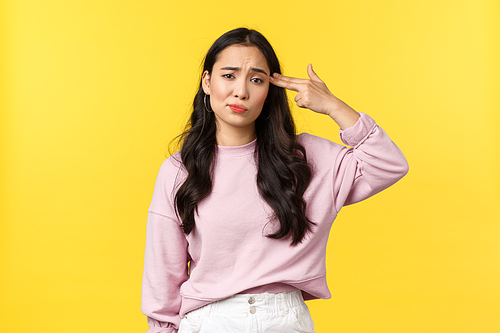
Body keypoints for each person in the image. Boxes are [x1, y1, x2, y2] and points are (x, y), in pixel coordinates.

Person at [141, 27, 408, 333]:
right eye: (229, 75)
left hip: (284, 320)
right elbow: (162, 277)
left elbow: (388, 164)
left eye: (256, 79)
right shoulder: (180, 170)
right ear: (207, 82)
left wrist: (333, 106)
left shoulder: (306, 159)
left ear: (270, 91)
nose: (241, 91)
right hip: (209, 321)